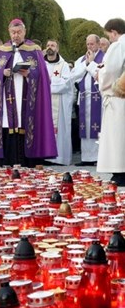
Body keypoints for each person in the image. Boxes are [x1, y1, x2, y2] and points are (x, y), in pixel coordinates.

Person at [0, 18, 57, 166]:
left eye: (19, 32)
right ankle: (8, 159)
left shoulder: (34, 50)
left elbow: (42, 76)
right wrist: (3, 73)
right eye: (13, 32)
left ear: (24, 32)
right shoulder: (2, 51)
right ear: (9, 32)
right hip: (6, 96)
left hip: (27, 96)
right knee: (7, 124)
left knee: (26, 123)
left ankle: (28, 159)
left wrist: (29, 74)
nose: (16, 35)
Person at [97, 18, 125, 186]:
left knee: (117, 137)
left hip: (118, 98)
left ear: (114, 32)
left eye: (109, 35)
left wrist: (99, 75)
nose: (110, 39)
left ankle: (120, 173)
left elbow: (110, 71)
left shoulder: (118, 45)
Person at [70, 34, 103, 166]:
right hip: (84, 97)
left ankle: (98, 158)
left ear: (98, 44)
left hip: (98, 98)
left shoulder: (104, 57)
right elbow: (74, 76)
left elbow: (100, 75)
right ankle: (86, 157)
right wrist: (86, 64)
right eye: (88, 44)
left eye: (92, 44)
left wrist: (91, 64)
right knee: (85, 127)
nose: (89, 47)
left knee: (97, 127)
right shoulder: (81, 59)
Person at [43, 39, 73, 166]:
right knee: (43, 128)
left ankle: (59, 158)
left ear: (57, 49)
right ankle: (44, 156)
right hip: (44, 103)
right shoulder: (41, 63)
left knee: (60, 131)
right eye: (48, 45)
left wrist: (48, 83)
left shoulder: (64, 65)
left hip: (59, 105)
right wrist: (53, 82)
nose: (50, 47)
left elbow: (66, 84)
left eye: (53, 45)